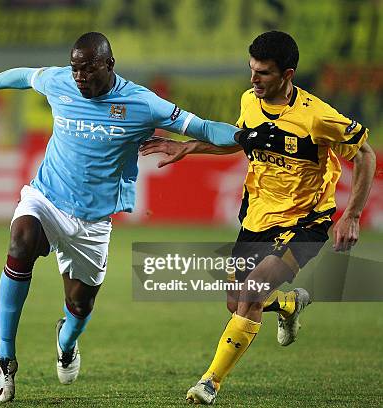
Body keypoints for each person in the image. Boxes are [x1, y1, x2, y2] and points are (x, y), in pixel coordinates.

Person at [0, 31, 248, 402]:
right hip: (47, 198)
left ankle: (67, 343)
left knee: (79, 306)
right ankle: (5, 358)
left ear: (109, 65)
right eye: (75, 69)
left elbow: (205, 128)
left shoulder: (143, 103)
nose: (79, 78)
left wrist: (247, 135)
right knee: (21, 240)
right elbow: (25, 75)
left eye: (88, 70)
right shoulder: (60, 80)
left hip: (93, 222)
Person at [139, 30, 376, 405]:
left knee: (252, 292)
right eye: (252, 70)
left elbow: (365, 154)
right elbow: (241, 140)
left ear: (288, 74)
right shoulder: (250, 100)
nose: (254, 79)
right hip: (258, 215)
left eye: (263, 73)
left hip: (305, 221)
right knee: (237, 303)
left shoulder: (317, 116)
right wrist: (189, 147)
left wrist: (352, 215)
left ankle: (209, 382)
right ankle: (287, 304)